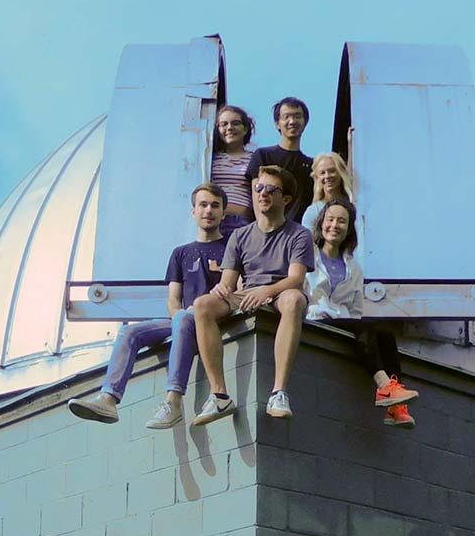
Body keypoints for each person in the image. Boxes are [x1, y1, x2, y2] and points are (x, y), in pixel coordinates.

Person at [67, 184, 230, 429]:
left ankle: (173, 401)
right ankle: (108, 399)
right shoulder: (180, 253)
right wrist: (178, 320)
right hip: (184, 319)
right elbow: (173, 299)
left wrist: (185, 320)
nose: (209, 210)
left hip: (212, 320)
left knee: (186, 318)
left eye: (215, 205)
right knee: (131, 331)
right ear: (193, 211)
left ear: (223, 213)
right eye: (203, 205)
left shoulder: (230, 247)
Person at [191, 165, 313, 424]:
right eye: (259, 188)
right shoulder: (240, 235)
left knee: (294, 299)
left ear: (286, 199)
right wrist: (222, 288)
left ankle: (278, 392)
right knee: (202, 305)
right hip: (246, 294)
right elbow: (228, 281)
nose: (263, 194)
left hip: (279, 292)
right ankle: (220, 396)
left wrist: (266, 291)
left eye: (271, 189)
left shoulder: (299, 234)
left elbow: (296, 278)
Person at [304, 198, 419, 428]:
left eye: (342, 221)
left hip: (344, 320)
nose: (334, 225)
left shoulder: (353, 267)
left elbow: (356, 309)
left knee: (385, 333)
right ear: (321, 223)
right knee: (365, 327)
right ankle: (384, 387)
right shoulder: (308, 255)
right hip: (316, 317)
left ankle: (396, 407)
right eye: (330, 219)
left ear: (348, 229)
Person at [244, 97, 315, 224]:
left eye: (297, 116)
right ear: (277, 123)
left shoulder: (312, 165)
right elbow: (257, 195)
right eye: (286, 117)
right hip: (266, 231)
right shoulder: (263, 155)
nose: (292, 121)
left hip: (297, 234)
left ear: (305, 122)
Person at [211, 105, 256, 237]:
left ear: (245, 129)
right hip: (213, 222)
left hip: (241, 223)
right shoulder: (210, 159)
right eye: (224, 124)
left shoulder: (255, 158)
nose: (229, 128)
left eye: (235, 123)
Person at [300, 149, 355, 235]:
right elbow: (307, 243)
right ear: (317, 177)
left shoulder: (354, 203)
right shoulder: (314, 211)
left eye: (332, 171)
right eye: (322, 173)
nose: (327, 176)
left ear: (341, 173)